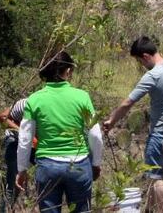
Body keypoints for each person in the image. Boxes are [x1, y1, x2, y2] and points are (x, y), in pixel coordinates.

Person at [102, 37, 163, 213]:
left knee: (156, 177)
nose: (141, 64)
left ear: (146, 56)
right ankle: (149, 209)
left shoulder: (152, 76)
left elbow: (128, 103)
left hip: (160, 132)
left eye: (140, 60)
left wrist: (111, 121)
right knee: (154, 177)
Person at [16, 51, 104, 213]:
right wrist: (96, 163)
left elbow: (25, 139)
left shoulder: (34, 100)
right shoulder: (82, 97)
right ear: (68, 71)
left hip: (47, 167)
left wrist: (22, 169)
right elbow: (95, 134)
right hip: (78, 165)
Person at [0, 96, 28, 212]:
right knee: (12, 183)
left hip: (35, 144)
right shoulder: (25, 104)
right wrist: (21, 131)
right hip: (14, 140)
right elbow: (2, 118)